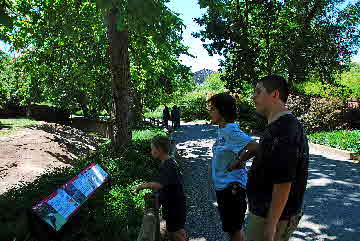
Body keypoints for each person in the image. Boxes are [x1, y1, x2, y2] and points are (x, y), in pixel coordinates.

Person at [246, 75, 309, 241]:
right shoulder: (278, 126)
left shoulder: (284, 129)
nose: (253, 97)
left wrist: (271, 225)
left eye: (258, 92)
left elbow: (283, 183)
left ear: (274, 95)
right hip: (266, 213)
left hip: (270, 217)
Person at [207, 93, 258, 241]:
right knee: (231, 229)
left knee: (235, 230)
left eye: (212, 108)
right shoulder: (223, 129)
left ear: (221, 111)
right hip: (224, 188)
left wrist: (240, 160)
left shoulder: (231, 131)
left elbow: (256, 147)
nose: (209, 111)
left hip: (232, 188)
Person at [135, 136, 187, 241]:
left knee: (176, 232)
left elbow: (160, 184)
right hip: (173, 204)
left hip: (175, 206)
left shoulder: (168, 164)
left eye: (152, 148)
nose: (151, 151)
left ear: (159, 149)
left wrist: (142, 186)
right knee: (175, 230)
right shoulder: (167, 162)